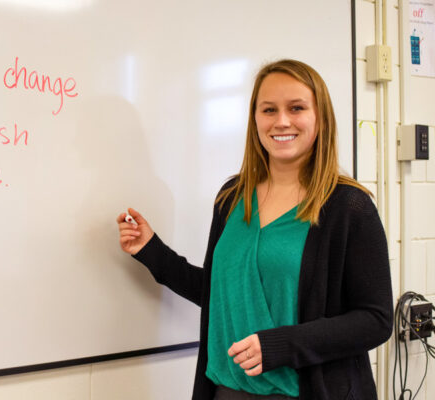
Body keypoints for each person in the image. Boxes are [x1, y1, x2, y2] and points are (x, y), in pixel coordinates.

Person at [115, 59, 393, 400]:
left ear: (320, 117)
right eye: (269, 110)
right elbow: (222, 293)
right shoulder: (233, 197)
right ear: (255, 119)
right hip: (226, 391)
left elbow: (375, 319)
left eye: (296, 108)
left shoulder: (349, 207)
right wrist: (152, 251)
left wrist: (282, 345)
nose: (282, 121)